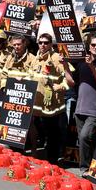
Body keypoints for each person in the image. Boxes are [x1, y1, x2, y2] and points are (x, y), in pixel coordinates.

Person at [65, 34, 96, 175]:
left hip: (95, 109)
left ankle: (85, 168)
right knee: (85, 140)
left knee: (85, 136)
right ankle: (93, 167)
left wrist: (92, 66)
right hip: (80, 108)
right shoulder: (81, 63)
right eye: (93, 45)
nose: (95, 47)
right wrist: (64, 66)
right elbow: (72, 83)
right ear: (89, 46)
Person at [30, 33, 67, 163]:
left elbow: (67, 78)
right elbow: (32, 75)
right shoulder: (36, 58)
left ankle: (52, 161)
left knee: (52, 132)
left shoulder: (57, 58)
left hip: (52, 103)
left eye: (46, 43)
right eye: (40, 43)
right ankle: (38, 157)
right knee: (39, 130)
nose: (43, 45)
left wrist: (61, 87)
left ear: (51, 44)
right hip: (37, 101)